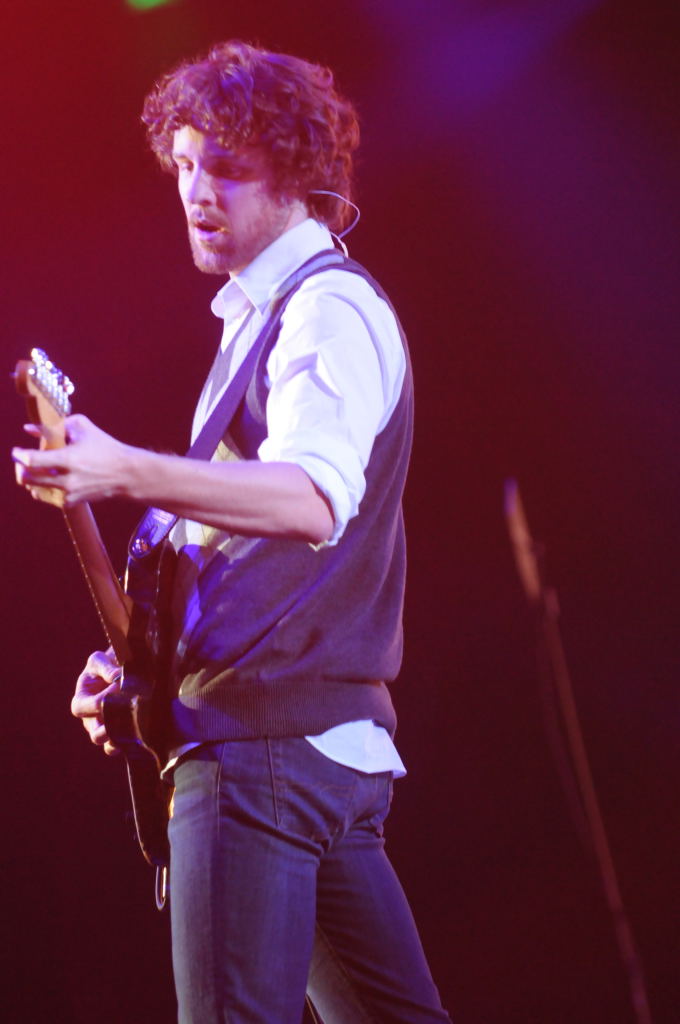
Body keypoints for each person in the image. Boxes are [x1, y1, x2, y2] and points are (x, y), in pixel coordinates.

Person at [13, 40, 451, 1024]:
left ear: (298, 176)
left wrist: (123, 467)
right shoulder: (261, 318)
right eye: (183, 164)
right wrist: (141, 671)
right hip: (305, 751)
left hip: (262, 755)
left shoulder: (324, 309)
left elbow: (310, 500)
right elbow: (244, 552)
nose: (195, 192)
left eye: (226, 168)